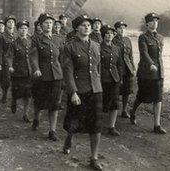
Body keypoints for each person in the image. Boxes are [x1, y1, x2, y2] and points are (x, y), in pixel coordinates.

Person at [62, 15, 103, 170]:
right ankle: (69, 136)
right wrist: (73, 92)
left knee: (96, 125)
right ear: (76, 28)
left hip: (96, 89)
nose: (87, 27)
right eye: (84, 25)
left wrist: (98, 85)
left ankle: (94, 157)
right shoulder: (70, 47)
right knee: (74, 122)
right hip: (79, 90)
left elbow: (97, 68)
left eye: (89, 25)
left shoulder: (95, 45)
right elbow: (68, 71)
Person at [30, 13, 64, 141]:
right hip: (42, 76)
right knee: (39, 101)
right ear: (41, 25)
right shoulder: (36, 39)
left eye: (51, 23)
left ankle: (52, 130)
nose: (49, 25)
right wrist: (36, 69)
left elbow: (62, 58)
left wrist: (64, 74)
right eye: (46, 23)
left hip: (56, 76)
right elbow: (33, 57)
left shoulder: (58, 39)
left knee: (54, 104)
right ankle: (36, 118)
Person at [131, 12, 166, 134]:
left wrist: (158, 67)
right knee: (142, 97)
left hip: (159, 72)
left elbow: (159, 55)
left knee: (158, 98)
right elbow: (144, 53)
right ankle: (133, 112)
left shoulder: (161, 37)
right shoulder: (143, 37)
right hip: (146, 72)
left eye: (156, 20)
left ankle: (157, 125)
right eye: (152, 21)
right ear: (147, 23)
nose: (154, 22)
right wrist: (151, 64)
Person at [6, 20, 32, 122]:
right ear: (18, 30)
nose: (24, 30)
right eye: (21, 29)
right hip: (17, 73)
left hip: (28, 72)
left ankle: (25, 114)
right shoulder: (14, 43)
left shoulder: (31, 42)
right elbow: (9, 56)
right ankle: (14, 101)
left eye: (25, 28)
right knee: (17, 93)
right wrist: (10, 66)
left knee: (28, 94)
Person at [100, 25, 123, 136]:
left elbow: (119, 64)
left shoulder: (116, 48)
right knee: (100, 102)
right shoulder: (98, 47)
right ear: (103, 35)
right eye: (107, 33)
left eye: (111, 33)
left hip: (114, 79)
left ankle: (111, 126)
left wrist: (120, 78)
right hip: (101, 79)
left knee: (114, 103)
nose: (109, 35)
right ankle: (97, 124)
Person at [112, 21, 136, 118]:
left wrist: (133, 67)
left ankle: (124, 110)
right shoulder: (113, 41)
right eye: (120, 28)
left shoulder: (127, 40)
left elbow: (131, 56)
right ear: (116, 30)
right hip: (118, 68)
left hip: (128, 68)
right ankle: (114, 111)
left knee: (127, 91)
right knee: (117, 91)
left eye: (123, 28)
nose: (122, 30)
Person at [0, 15, 17, 104]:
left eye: (13, 22)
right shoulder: (2, 36)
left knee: (16, 80)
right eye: (9, 22)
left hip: (17, 61)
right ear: (6, 24)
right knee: (6, 80)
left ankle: (14, 98)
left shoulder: (17, 35)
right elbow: (0, 51)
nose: (11, 24)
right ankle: (4, 94)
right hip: (6, 61)